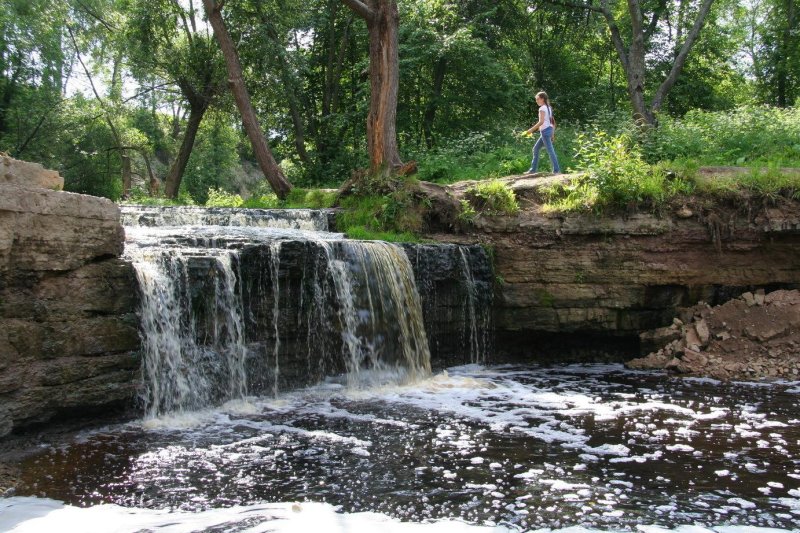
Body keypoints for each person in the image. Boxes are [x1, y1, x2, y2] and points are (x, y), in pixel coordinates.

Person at [524, 91, 561, 174]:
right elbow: (552, 122)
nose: (536, 101)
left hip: (545, 132)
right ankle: (533, 169)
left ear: (542, 99)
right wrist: (552, 133)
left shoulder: (542, 108)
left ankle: (556, 170)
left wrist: (531, 130)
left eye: (537, 99)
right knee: (536, 149)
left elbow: (541, 122)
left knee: (550, 151)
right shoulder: (548, 108)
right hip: (548, 130)